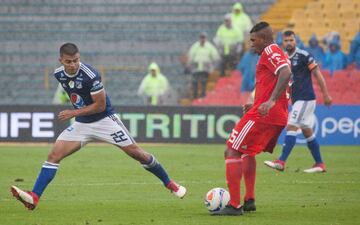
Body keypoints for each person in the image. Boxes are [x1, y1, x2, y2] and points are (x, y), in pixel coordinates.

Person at [10, 43, 186, 210]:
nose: (73, 65)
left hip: (105, 121)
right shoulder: (59, 74)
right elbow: (74, 94)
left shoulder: (90, 75)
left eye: (76, 60)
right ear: (61, 61)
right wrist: (77, 112)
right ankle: (34, 197)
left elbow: (100, 106)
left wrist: (73, 113)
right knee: (54, 155)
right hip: (83, 124)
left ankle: (169, 183)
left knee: (137, 153)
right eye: (68, 61)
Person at [212, 22, 292, 215]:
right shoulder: (275, 52)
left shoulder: (270, 51)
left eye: (254, 40)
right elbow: (275, 78)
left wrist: (270, 101)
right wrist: (258, 102)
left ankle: (234, 205)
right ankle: (249, 200)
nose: (251, 44)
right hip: (274, 114)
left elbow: (286, 73)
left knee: (231, 151)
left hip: (265, 115)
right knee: (247, 152)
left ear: (264, 39)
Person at [264, 30, 332, 173]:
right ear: (283, 42)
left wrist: (326, 94)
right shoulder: (282, 57)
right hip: (296, 100)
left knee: (291, 126)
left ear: (296, 41)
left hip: (305, 98)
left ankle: (281, 161)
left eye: (291, 40)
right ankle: (320, 164)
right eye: (286, 40)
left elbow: (317, 74)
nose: (289, 43)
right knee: (307, 131)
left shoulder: (304, 55)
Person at [188, 32, 220, 98]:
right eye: (201, 38)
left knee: (203, 82)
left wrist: (212, 67)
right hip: (196, 68)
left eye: (203, 38)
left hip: (205, 68)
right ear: (199, 38)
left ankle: (203, 95)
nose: (202, 39)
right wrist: (189, 65)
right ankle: (195, 96)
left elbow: (215, 57)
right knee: (195, 82)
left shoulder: (210, 47)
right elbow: (190, 56)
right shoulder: (195, 46)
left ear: (206, 38)